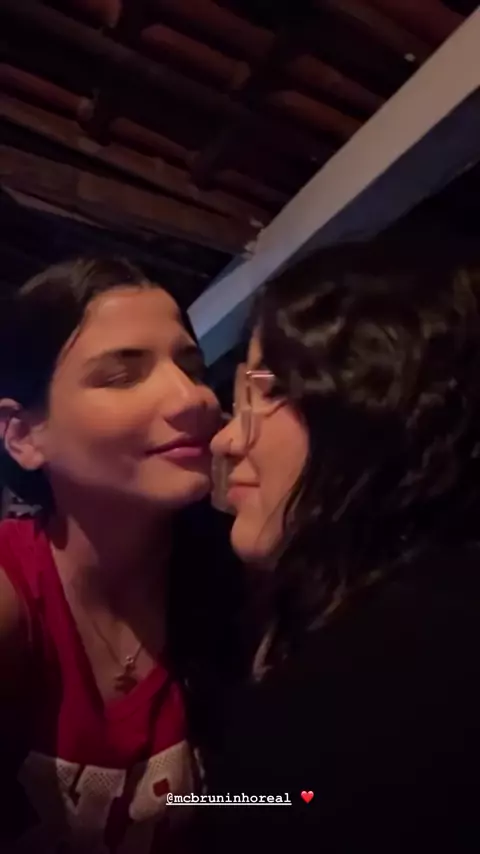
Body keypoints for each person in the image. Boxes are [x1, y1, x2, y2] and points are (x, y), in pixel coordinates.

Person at [207, 255, 480, 852]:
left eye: (270, 390)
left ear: (378, 399)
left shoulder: (367, 693)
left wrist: (192, 801)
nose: (225, 438)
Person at [0, 257, 243, 853]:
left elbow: (282, 799)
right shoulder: (13, 588)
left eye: (193, 368)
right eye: (121, 376)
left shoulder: (243, 585)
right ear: (24, 436)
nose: (193, 397)